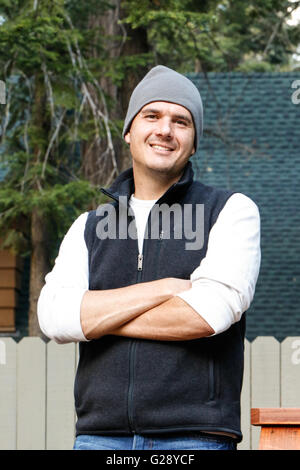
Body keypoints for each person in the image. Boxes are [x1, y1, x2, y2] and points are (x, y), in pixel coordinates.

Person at [37, 65, 261, 451]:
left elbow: (209, 312)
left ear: (193, 143)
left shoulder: (229, 211)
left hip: (194, 437)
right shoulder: (89, 227)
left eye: (181, 121)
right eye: (151, 116)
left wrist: (93, 318)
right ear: (128, 131)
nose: (165, 130)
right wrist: (166, 288)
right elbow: (54, 317)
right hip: (99, 437)